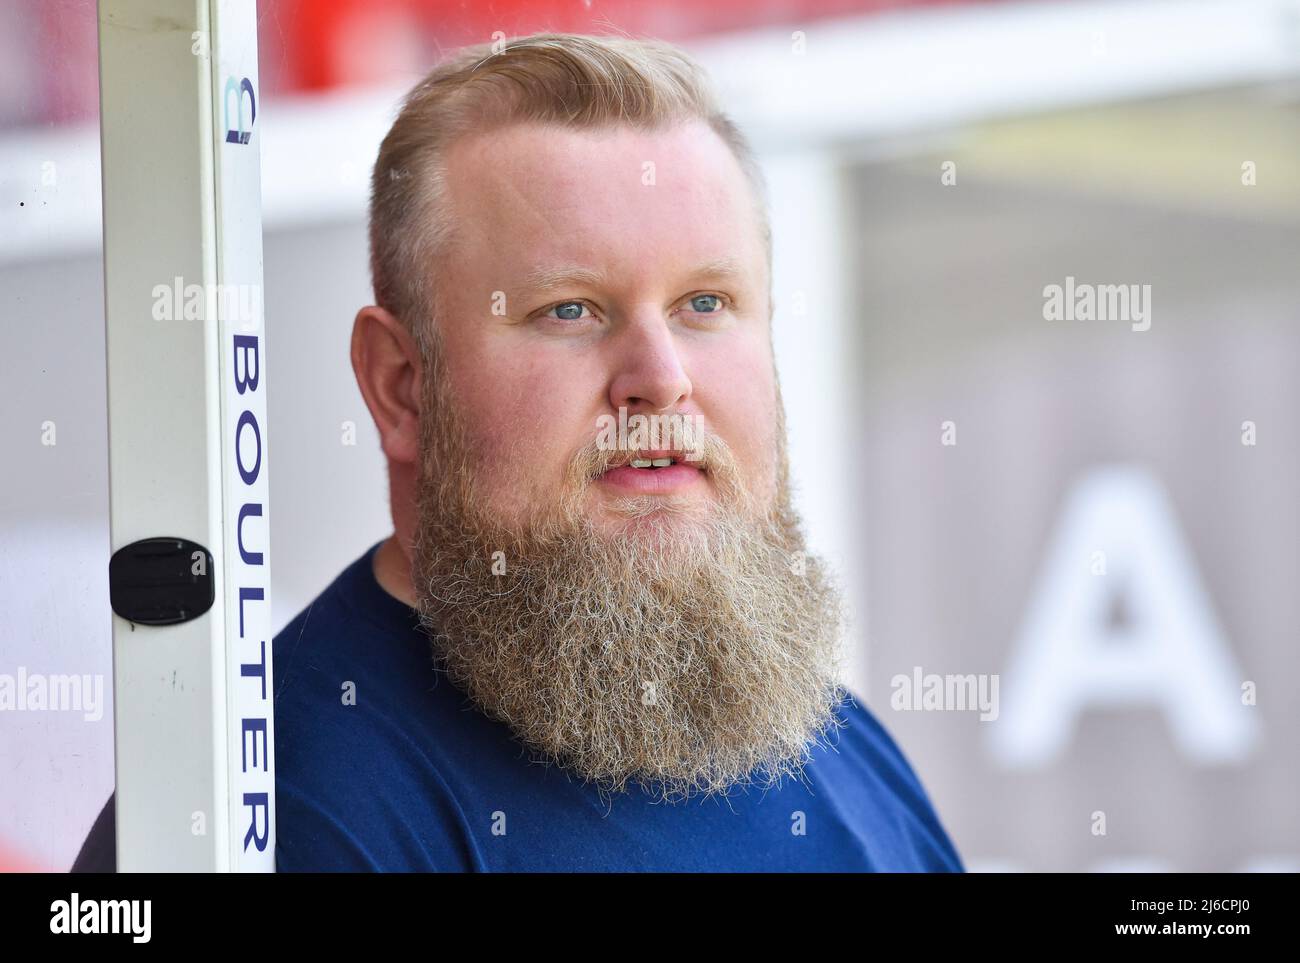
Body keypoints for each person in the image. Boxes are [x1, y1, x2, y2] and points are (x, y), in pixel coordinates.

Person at [75, 31, 963, 872]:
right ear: (401, 385)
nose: (659, 380)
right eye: (569, 310)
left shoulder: (837, 747)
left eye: (704, 303)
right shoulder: (284, 813)